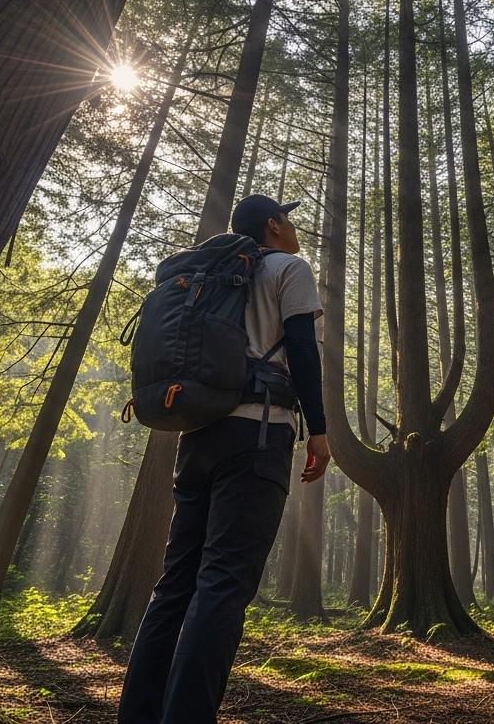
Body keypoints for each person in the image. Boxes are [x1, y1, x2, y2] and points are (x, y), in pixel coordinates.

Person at [119, 194, 331, 724]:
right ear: (275, 225)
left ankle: (139, 715)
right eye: (291, 219)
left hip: (200, 432)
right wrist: (319, 431)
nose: (297, 228)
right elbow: (302, 349)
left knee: (176, 582)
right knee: (223, 582)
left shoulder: (214, 278)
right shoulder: (289, 268)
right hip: (258, 433)